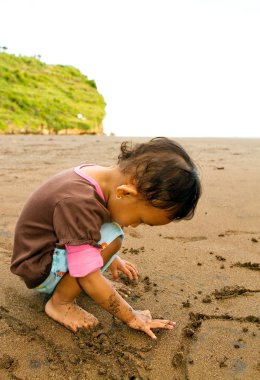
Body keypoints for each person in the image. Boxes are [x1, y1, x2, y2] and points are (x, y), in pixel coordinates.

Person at [11, 137, 201, 339]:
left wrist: (111, 258)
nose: (135, 225)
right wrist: (131, 316)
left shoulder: (98, 178)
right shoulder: (78, 201)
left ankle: (73, 284)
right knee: (113, 236)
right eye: (141, 219)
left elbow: (81, 226)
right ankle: (60, 303)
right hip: (40, 268)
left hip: (47, 251)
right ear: (125, 193)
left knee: (111, 234)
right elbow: (87, 274)